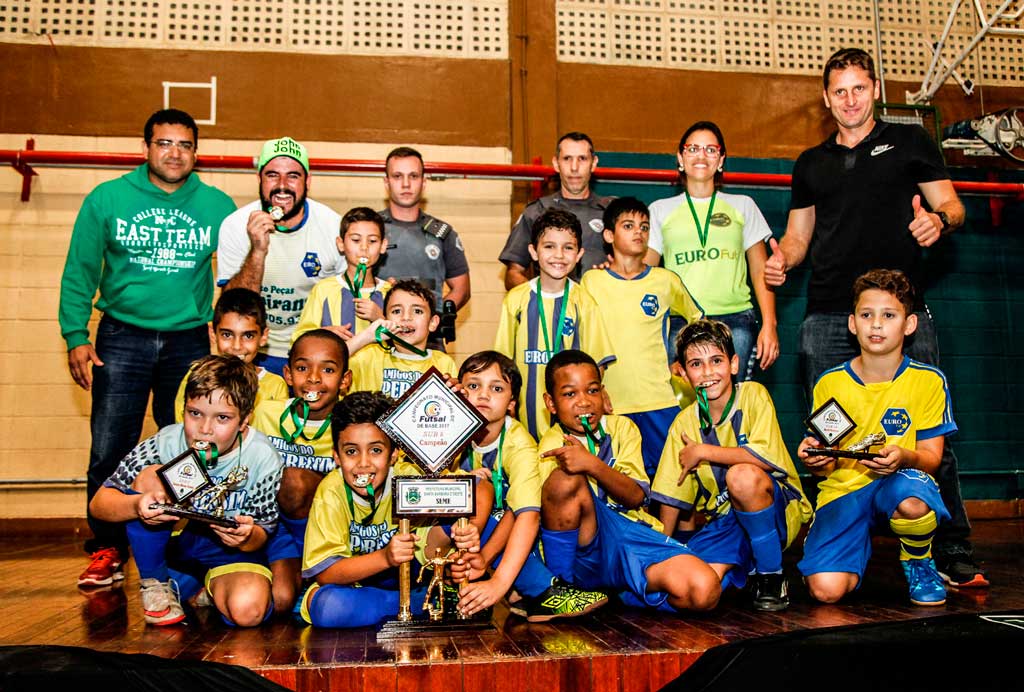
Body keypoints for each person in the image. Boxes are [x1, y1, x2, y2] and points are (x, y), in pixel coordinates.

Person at [763, 48, 984, 588]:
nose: (849, 100)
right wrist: (781, 260)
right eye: (839, 91)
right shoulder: (811, 163)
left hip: (902, 308)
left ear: (875, 89)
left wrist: (938, 221)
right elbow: (797, 238)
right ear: (826, 98)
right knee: (829, 434)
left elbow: (953, 206)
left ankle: (950, 546)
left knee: (929, 434)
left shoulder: (909, 142)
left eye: (858, 88)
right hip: (829, 316)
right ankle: (836, 537)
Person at [61, 108, 236, 588]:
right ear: (146, 148)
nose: (174, 152)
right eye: (164, 143)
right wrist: (76, 334)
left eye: (184, 144)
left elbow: (237, 277)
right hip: (122, 335)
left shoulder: (219, 207)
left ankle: (184, 548)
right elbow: (80, 270)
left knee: (192, 448)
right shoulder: (107, 198)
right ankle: (105, 550)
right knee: (109, 447)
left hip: (187, 339)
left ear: (196, 152)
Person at [797, 269, 955, 606]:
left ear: (909, 324)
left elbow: (931, 458)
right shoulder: (831, 383)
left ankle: (918, 561)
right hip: (843, 491)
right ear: (853, 324)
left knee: (913, 499)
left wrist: (904, 457)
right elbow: (824, 461)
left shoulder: (929, 381)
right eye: (866, 315)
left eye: (889, 315)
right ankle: (850, 552)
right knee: (825, 591)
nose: (876, 324)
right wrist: (815, 457)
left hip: (897, 483)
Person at [89, 355, 283, 626]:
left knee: (248, 611)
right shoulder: (165, 442)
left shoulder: (263, 456)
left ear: (244, 421)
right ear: (184, 409)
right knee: (151, 479)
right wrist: (137, 505)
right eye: (195, 413)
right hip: (175, 550)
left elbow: (262, 533)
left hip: (227, 554)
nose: (204, 430)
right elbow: (99, 505)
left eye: (222, 418)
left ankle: (208, 587)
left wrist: (245, 537)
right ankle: (156, 584)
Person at [537, 350, 722, 614]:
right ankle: (561, 590)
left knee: (704, 590)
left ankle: (626, 593)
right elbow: (551, 511)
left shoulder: (623, 429)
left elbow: (636, 497)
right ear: (551, 403)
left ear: (603, 393)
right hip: (583, 551)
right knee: (565, 478)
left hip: (629, 534)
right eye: (569, 394)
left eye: (592, 391)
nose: (584, 402)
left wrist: (592, 464)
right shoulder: (550, 444)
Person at [652, 320, 812, 611]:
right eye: (696, 364)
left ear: (734, 364)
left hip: (776, 510)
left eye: (716, 361)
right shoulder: (684, 423)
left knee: (742, 476)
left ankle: (771, 576)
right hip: (725, 523)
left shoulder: (752, 395)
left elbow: (762, 458)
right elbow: (671, 495)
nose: (708, 372)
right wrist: (660, 548)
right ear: (683, 373)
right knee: (699, 589)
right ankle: (748, 564)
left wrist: (702, 451)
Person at [299, 391, 489, 628]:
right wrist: (385, 557)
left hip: (410, 573)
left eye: (376, 450)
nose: (363, 463)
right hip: (355, 586)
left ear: (394, 454)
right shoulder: (331, 492)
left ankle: (434, 597)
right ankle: (420, 603)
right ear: (336, 456)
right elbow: (326, 573)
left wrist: (470, 531)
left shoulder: (407, 476)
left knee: (469, 518)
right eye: (351, 451)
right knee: (328, 607)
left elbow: (480, 489)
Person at [448, 351, 608, 622]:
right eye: (473, 386)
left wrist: (496, 581)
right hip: (441, 537)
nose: (483, 395)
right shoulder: (442, 429)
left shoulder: (519, 443)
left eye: (496, 388)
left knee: (502, 507)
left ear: (512, 402)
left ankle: (533, 589)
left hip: (491, 541)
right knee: (470, 491)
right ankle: (538, 590)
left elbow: (526, 514)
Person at [581, 197, 704, 476]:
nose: (639, 232)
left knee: (677, 479)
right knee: (618, 481)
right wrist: (595, 389)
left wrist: (682, 360)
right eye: (628, 225)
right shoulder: (592, 281)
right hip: (611, 403)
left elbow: (697, 321)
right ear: (609, 235)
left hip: (659, 400)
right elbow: (585, 343)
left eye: (644, 226)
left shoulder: (665, 280)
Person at [648, 121, 778, 377]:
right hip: (679, 321)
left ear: (721, 160)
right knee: (682, 406)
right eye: (693, 148)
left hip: (735, 320)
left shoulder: (743, 205)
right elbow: (645, 272)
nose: (701, 155)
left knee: (731, 404)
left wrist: (770, 325)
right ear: (680, 158)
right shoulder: (659, 209)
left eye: (710, 150)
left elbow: (760, 270)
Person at [216, 137, 345, 375]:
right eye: (272, 175)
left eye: (293, 176)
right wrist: (257, 251)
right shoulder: (235, 225)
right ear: (259, 179)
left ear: (308, 181)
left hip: (311, 354)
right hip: (254, 352)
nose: (282, 185)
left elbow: (343, 297)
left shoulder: (333, 226)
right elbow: (235, 306)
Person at [249, 329, 352, 612]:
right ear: (288, 374)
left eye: (328, 369)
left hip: (322, 529)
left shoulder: (350, 425)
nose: (314, 378)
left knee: (293, 480)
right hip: (269, 527)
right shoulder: (264, 413)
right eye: (303, 367)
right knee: (280, 601)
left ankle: (315, 565)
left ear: (345, 380)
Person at [494, 209, 616, 441]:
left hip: (572, 421)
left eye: (568, 247)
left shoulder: (584, 302)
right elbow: (503, 363)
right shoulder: (516, 300)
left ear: (579, 254)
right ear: (533, 251)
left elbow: (597, 363)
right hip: (525, 418)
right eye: (549, 246)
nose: (558, 255)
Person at [499, 132, 659, 289]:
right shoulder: (537, 211)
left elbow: (640, 264)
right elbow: (513, 274)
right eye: (567, 159)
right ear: (556, 163)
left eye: (582, 159)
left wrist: (617, 271)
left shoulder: (615, 211)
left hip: (606, 310)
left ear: (594, 163)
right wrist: (544, 296)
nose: (574, 168)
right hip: (556, 314)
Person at [377, 147, 470, 349]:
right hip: (378, 339)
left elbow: (461, 288)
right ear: (386, 182)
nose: (406, 184)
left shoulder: (443, 233)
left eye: (413, 176)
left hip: (429, 344)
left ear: (424, 182)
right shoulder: (371, 229)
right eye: (397, 176)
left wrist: (435, 317)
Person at [173, 288, 288, 420]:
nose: (237, 346)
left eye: (248, 335)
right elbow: (182, 425)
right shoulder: (196, 375)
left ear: (263, 337)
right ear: (213, 334)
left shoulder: (275, 386)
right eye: (227, 335)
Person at [291, 207, 389, 344]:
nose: (364, 247)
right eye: (356, 240)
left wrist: (381, 319)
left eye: (372, 241)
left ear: (383, 245)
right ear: (341, 244)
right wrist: (324, 334)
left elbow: (407, 342)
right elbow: (298, 338)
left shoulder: (389, 292)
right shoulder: (323, 289)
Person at [348, 279, 457, 398]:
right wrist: (366, 336)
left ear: (432, 322)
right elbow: (332, 360)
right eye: (397, 311)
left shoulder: (443, 362)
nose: (406, 317)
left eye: (417, 311)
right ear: (385, 320)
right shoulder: (368, 356)